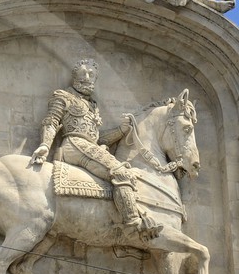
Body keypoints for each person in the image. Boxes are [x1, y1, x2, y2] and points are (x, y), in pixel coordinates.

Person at [31, 58, 156, 236]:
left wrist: (121, 130)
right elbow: (51, 121)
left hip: (86, 146)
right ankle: (132, 224)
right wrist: (45, 144)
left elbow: (97, 139)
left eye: (92, 75)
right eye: (84, 73)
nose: (88, 77)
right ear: (75, 76)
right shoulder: (63, 96)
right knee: (121, 172)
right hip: (73, 144)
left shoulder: (92, 105)